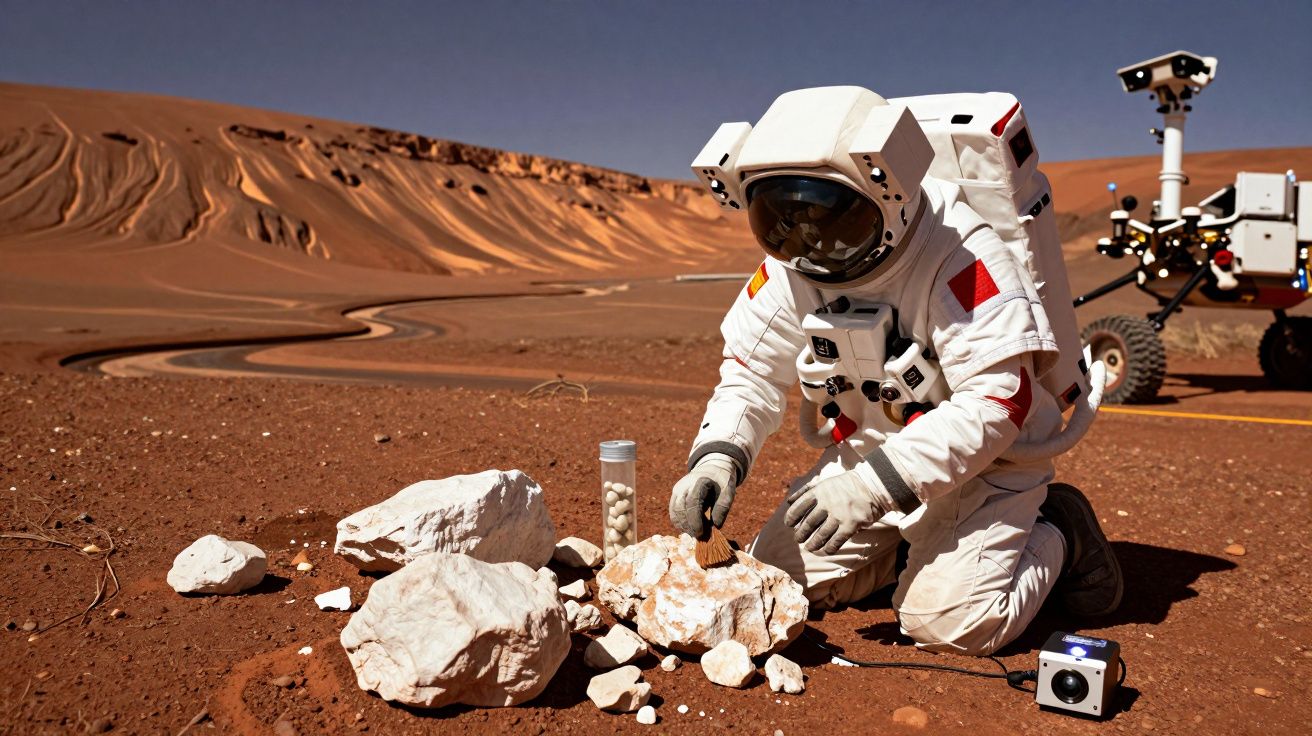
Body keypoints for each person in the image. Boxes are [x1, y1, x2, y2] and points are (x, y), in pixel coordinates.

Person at [669, 86, 1123, 656]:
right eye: (782, 218)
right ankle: (913, 548)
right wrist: (718, 454)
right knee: (776, 578)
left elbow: (996, 403)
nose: (811, 241)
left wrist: (871, 488)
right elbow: (750, 369)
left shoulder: (959, 253)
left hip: (988, 463)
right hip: (873, 452)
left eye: (830, 218)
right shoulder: (794, 264)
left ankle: (1058, 529)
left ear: (889, 193)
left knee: (949, 625)